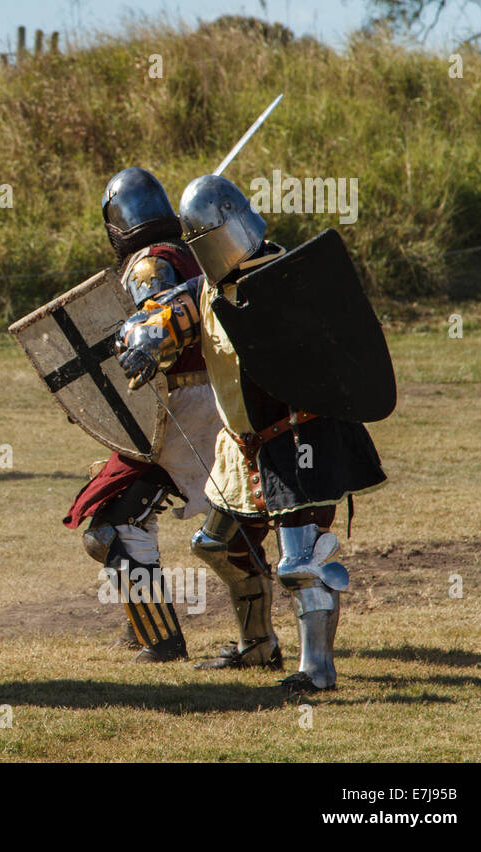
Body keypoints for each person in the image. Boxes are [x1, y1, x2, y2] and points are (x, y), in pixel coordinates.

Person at [115, 174, 389, 691]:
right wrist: (145, 337)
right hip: (241, 448)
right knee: (216, 546)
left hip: (298, 443)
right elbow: (170, 311)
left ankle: (317, 671)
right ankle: (257, 646)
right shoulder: (211, 287)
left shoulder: (287, 280)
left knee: (301, 563)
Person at [63, 168, 230, 665]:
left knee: (109, 524)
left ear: (116, 224)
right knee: (137, 510)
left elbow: (152, 336)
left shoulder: (149, 265)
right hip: (208, 406)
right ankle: (150, 628)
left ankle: (161, 639)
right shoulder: (194, 253)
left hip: (180, 414)